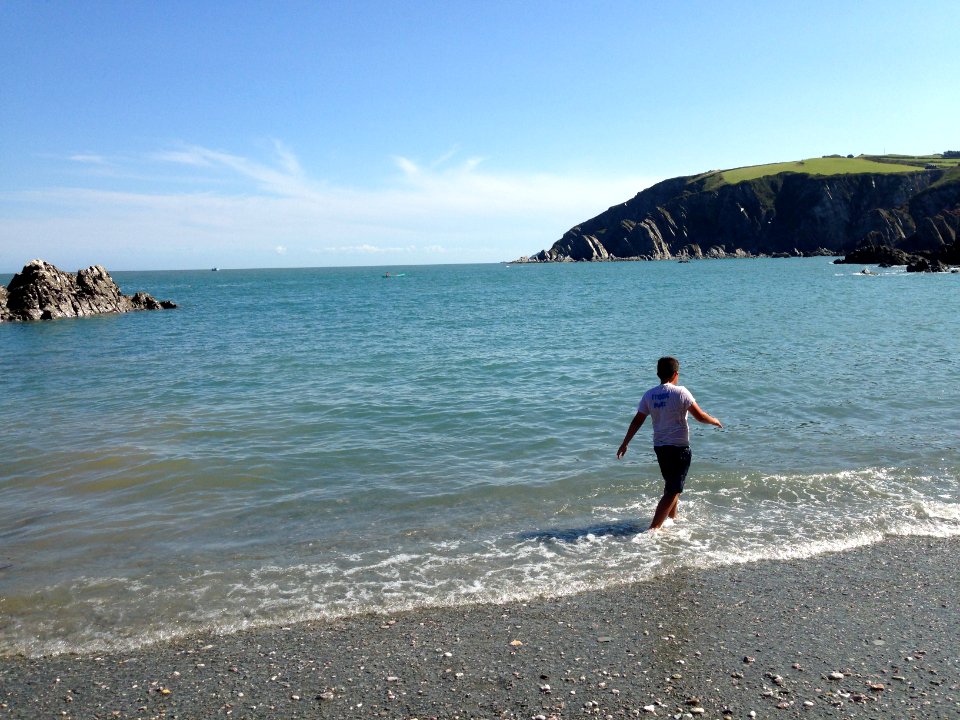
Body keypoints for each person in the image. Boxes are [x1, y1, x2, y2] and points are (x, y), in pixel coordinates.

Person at [616, 356, 722, 530]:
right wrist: (714, 421)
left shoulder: (649, 395)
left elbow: (637, 420)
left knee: (671, 484)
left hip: (660, 447)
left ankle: (672, 519)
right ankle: (653, 529)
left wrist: (625, 443)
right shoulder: (681, 392)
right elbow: (700, 416)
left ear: (658, 373)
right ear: (675, 374)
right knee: (674, 489)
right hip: (679, 448)